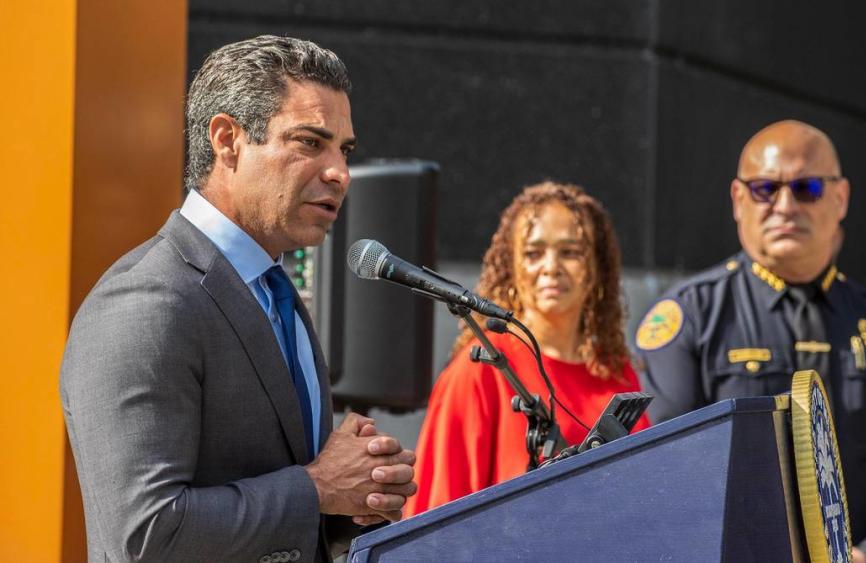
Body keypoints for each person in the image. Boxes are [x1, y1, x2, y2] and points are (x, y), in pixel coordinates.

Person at [60, 36, 415, 562]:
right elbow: (143, 536)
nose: (339, 171)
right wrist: (316, 487)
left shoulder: (277, 292)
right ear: (227, 140)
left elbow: (280, 512)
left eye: (345, 149)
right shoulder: (146, 302)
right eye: (310, 142)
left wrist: (354, 499)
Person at [633, 120, 866, 563]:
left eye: (807, 188)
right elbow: (664, 472)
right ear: (738, 199)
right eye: (765, 188)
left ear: (840, 198)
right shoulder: (690, 319)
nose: (785, 206)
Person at [405, 181, 649, 517]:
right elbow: (438, 514)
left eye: (571, 252)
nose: (551, 267)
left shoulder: (615, 371)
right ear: (512, 266)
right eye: (534, 253)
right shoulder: (482, 366)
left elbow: (644, 490)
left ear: (597, 269)